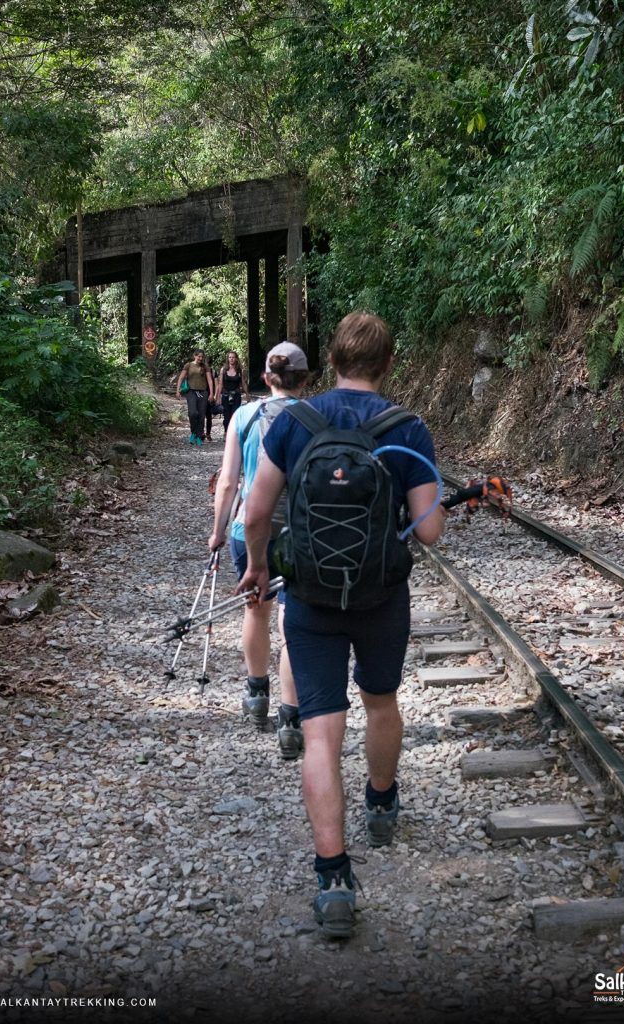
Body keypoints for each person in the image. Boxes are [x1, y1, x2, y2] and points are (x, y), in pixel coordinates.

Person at [239, 313, 445, 939]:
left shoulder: (295, 423)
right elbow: (429, 530)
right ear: (387, 365)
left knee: (322, 734)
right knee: (381, 701)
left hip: (310, 599)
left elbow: (257, 510)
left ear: (330, 362)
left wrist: (255, 566)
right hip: (382, 598)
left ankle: (332, 877)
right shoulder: (406, 428)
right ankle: (381, 803)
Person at [208, 341, 309, 760]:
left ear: (266, 377)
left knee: (256, 608)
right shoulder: (313, 417)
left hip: (247, 526)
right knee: (294, 621)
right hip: (298, 532)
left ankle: (256, 696)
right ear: (305, 379)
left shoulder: (244, 416)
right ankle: (290, 718)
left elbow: (229, 482)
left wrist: (217, 531)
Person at [176, 348, 213, 446]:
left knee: (201, 415)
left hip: (203, 393)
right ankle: (193, 432)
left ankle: (199, 436)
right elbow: (181, 377)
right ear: (195, 356)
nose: (200, 358)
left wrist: (211, 393)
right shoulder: (188, 365)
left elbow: (210, 380)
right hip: (191, 392)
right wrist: (177, 390)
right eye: (199, 356)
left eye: (202, 356)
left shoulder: (205, 367)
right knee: (193, 413)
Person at [215, 350, 249, 431]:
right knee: (226, 417)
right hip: (226, 395)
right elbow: (220, 384)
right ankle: (226, 431)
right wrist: (218, 397)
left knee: (234, 415)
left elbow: (243, 383)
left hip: (236, 395)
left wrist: (247, 395)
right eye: (230, 357)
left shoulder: (240, 370)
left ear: (236, 359)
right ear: (228, 359)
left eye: (233, 357)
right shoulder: (223, 370)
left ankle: (233, 434)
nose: (231, 359)